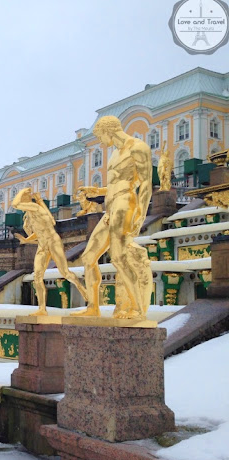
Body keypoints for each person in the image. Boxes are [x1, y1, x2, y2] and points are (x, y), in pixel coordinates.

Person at [73, 115, 153, 319]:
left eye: (100, 136)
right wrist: (97, 190)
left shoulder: (137, 147)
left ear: (108, 131)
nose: (101, 141)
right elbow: (117, 183)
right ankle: (93, 307)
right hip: (110, 207)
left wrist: (141, 214)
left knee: (118, 256)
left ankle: (136, 309)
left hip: (126, 204)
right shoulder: (115, 154)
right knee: (89, 256)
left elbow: (145, 184)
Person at [12, 188, 87, 315]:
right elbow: (39, 232)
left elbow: (15, 204)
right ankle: (42, 309)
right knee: (37, 276)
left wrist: (23, 191)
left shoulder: (34, 207)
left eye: (23, 198)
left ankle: (83, 290)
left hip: (53, 241)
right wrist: (26, 240)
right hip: (42, 244)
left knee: (65, 272)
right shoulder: (30, 214)